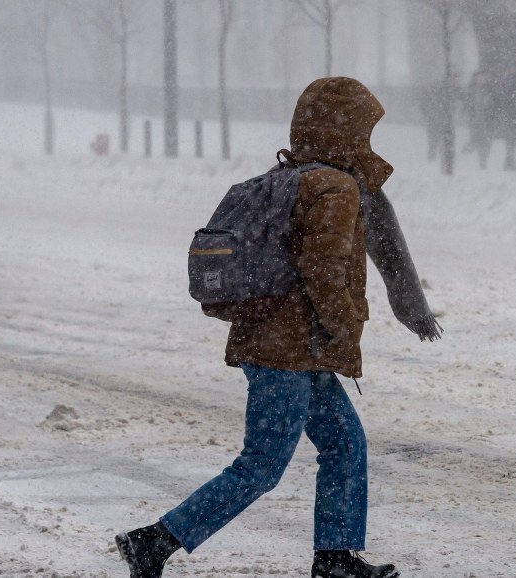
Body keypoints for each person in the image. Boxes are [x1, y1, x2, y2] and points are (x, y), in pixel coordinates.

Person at [116, 77, 440, 578]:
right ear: (346, 131)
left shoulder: (288, 177)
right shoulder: (334, 187)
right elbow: (324, 270)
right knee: (262, 464)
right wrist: (345, 327)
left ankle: (335, 558)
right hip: (288, 350)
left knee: (345, 444)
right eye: (364, 130)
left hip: (288, 345)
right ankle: (154, 541)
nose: (369, 143)